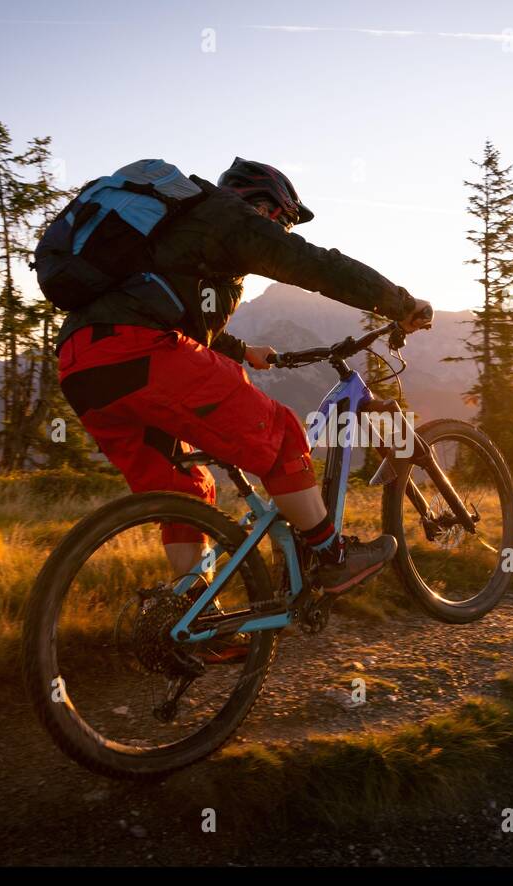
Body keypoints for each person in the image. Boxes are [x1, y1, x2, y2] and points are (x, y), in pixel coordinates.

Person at [55, 157, 432, 607]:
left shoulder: (184, 228)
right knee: (284, 436)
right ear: (267, 207)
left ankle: (189, 612)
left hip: (83, 366)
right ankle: (332, 559)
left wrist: (237, 350)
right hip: (140, 353)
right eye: (285, 222)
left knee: (185, 488)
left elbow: (166, 308)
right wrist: (399, 303)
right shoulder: (232, 218)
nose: (284, 232)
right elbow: (316, 266)